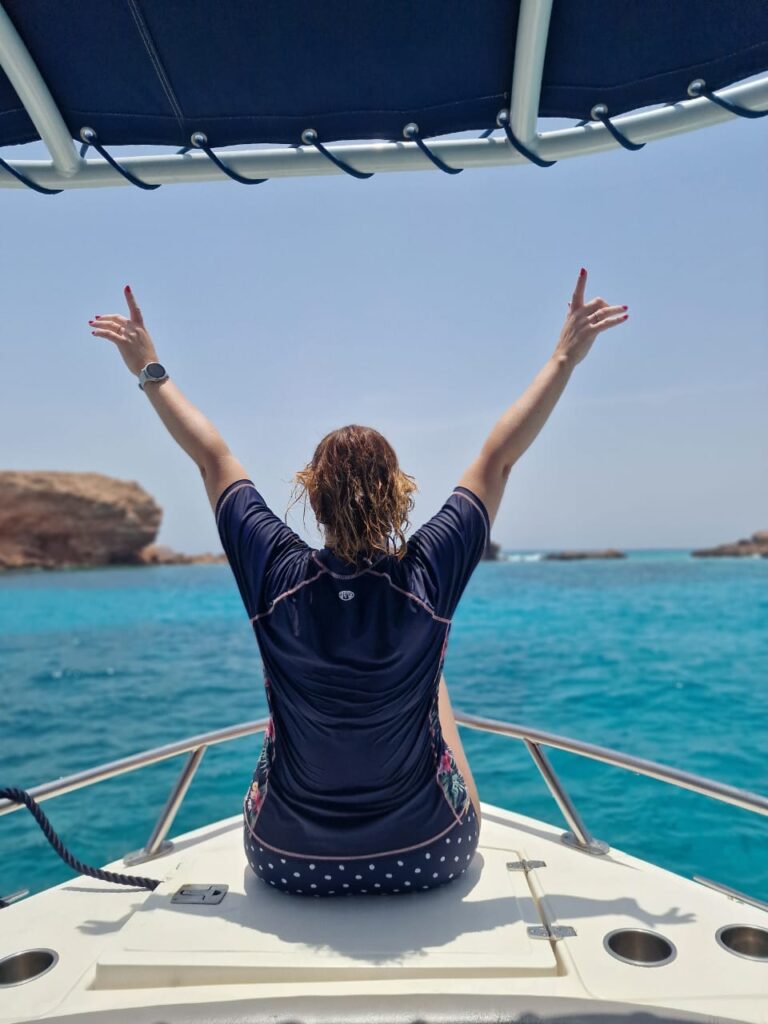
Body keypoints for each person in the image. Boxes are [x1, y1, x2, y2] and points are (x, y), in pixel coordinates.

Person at [88, 269, 627, 897]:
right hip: (430, 852)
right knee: (432, 675)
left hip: (286, 860)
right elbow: (498, 458)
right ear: (401, 495)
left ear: (311, 496)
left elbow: (212, 457)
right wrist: (565, 357)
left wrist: (150, 369)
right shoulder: (426, 578)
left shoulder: (275, 573)